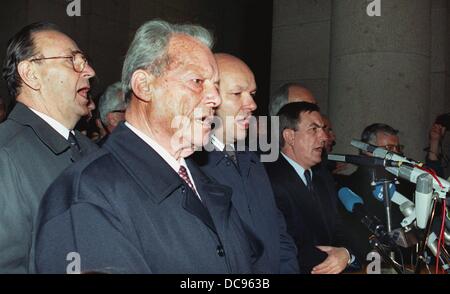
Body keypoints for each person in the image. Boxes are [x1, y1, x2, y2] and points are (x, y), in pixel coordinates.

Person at [35, 20, 263, 274]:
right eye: (197, 81)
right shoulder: (86, 194)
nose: (215, 99)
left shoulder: (203, 181)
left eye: (216, 86)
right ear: (144, 86)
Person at [0, 22, 98, 273]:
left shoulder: (94, 151)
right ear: (31, 74)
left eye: (84, 61)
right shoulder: (5, 153)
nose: (89, 71)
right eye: (73, 60)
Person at [193, 53, 299, 273]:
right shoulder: (191, 167)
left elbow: (278, 234)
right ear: (208, 97)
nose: (251, 104)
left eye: (251, 94)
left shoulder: (253, 160)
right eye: (236, 93)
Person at [265, 102, 357, 274]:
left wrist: (345, 253)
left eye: (323, 129)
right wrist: (333, 261)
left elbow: (340, 227)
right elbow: (285, 244)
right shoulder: (269, 180)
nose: (324, 137)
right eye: (314, 129)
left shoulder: (323, 179)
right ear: (289, 136)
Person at [337, 123, 414, 264]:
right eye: (389, 148)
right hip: (368, 264)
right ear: (368, 151)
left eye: (398, 148)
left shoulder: (406, 184)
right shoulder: (349, 186)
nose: (396, 153)